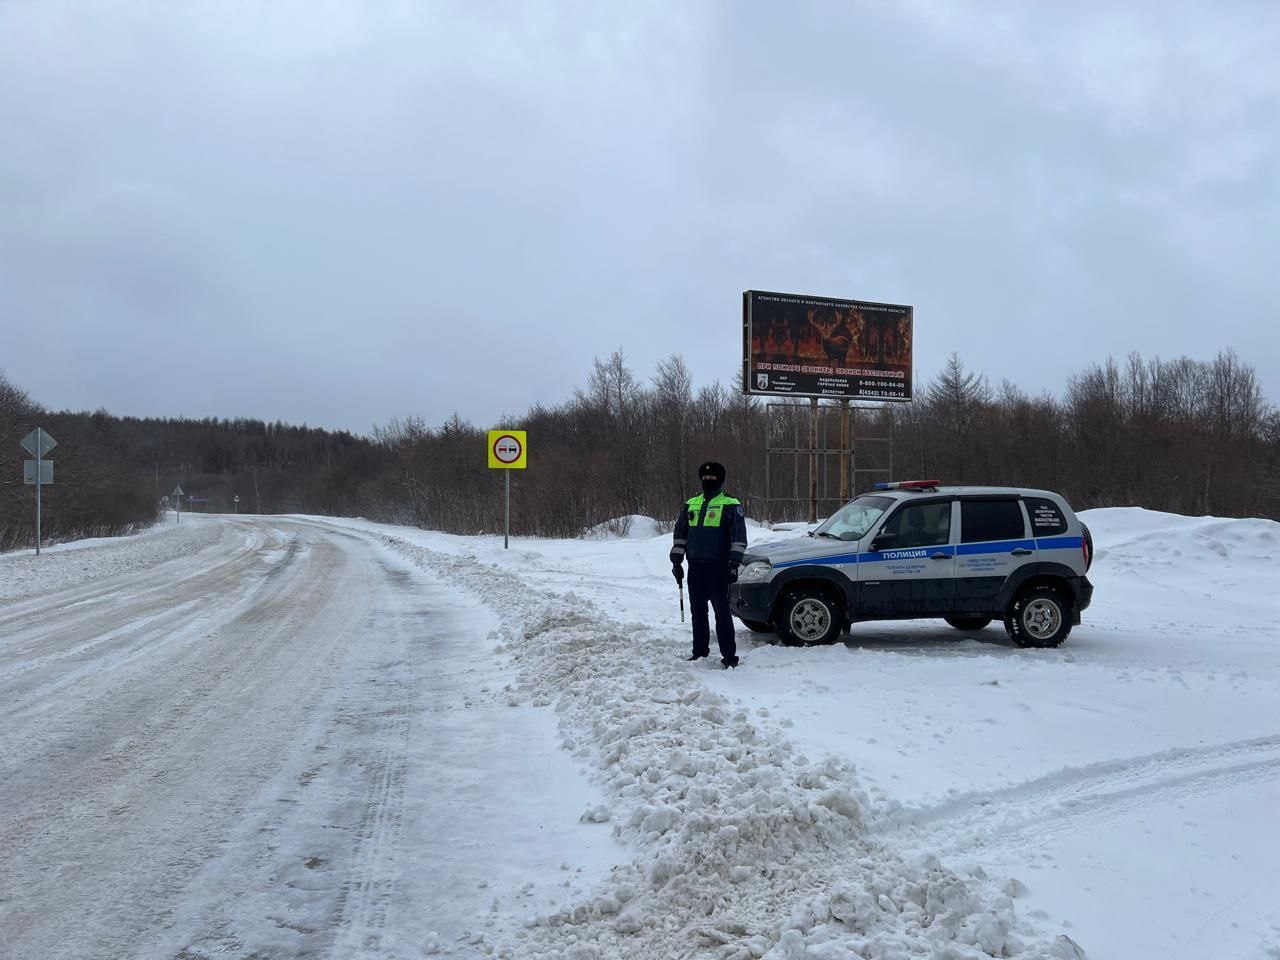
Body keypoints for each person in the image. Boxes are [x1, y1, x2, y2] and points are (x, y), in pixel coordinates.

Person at [670, 461, 748, 668]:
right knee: (698, 612)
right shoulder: (692, 503)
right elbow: (680, 535)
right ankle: (699, 652)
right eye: (704, 478)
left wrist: (734, 564)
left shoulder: (731, 503)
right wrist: (677, 560)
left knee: (722, 613)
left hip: (718, 568)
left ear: (720, 480)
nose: (708, 480)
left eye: (712, 478)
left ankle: (729, 657)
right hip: (695, 567)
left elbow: (739, 537)